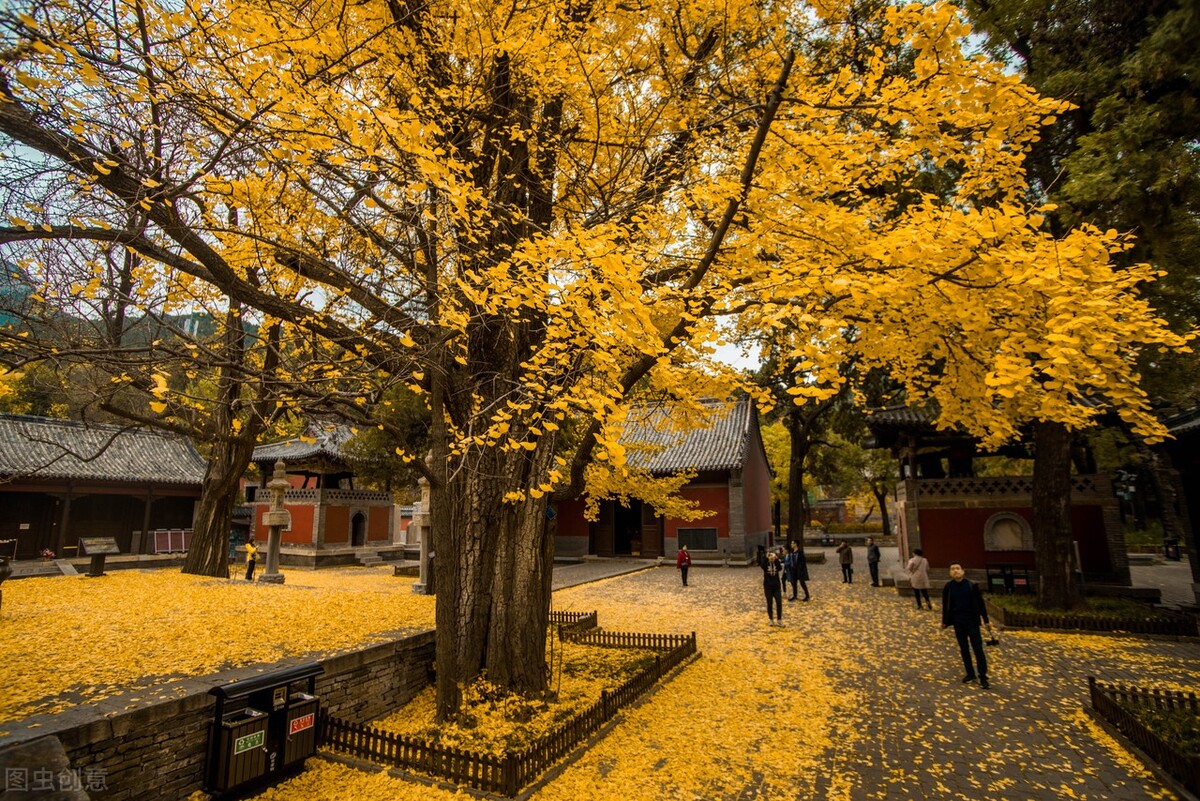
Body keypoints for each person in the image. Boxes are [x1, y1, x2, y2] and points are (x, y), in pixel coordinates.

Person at [941, 562, 992, 688]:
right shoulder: (948, 587)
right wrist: (944, 622)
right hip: (958, 622)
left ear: (963, 571)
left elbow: (980, 604)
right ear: (950, 573)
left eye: (958, 569)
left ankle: (983, 676)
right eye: (952, 569)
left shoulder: (971, 585)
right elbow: (945, 606)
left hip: (972, 621)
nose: (955, 571)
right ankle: (970, 673)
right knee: (964, 649)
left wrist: (986, 621)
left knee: (977, 648)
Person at [759, 547, 785, 625]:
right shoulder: (765, 564)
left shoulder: (776, 563)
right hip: (768, 587)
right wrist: (766, 558)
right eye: (770, 556)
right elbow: (762, 565)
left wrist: (776, 559)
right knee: (769, 603)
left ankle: (779, 620)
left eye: (773, 556)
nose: (772, 558)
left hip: (776, 586)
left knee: (779, 602)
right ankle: (771, 619)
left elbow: (780, 568)